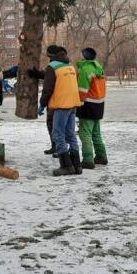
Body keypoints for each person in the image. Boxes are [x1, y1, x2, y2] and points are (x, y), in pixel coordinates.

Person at [38, 44, 82, 176]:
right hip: (73, 104)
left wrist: (42, 104)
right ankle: (77, 166)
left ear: (51, 56)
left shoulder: (52, 67)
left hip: (61, 105)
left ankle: (66, 166)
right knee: (70, 134)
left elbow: (47, 89)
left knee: (58, 134)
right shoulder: (70, 66)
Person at [76, 47, 108, 169]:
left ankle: (88, 160)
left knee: (85, 133)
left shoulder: (85, 69)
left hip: (87, 105)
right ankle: (101, 156)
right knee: (96, 133)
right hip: (99, 104)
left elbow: (82, 90)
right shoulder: (99, 68)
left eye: (81, 54)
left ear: (84, 56)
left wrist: (78, 104)